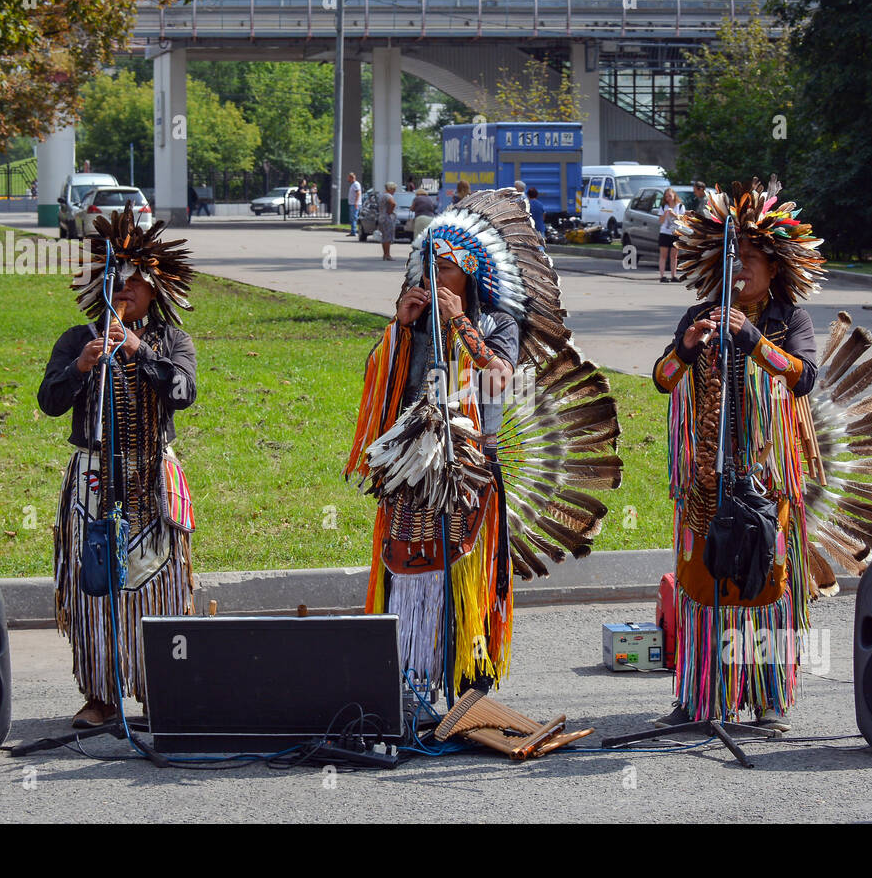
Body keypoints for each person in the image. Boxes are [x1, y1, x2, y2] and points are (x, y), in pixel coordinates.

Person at [345, 188, 621, 698]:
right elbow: (380, 390)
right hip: (410, 467)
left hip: (469, 467)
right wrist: (400, 331)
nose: (433, 275)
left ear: (470, 273)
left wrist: (459, 323)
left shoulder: (498, 322)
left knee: (461, 566)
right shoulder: (412, 322)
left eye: (446, 267)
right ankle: (407, 674)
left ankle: (464, 682)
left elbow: (498, 380)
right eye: (427, 264)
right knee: (407, 562)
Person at [651, 177, 822, 732]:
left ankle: (767, 699)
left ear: (775, 268)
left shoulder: (788, 319)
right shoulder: (701, 314)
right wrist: (686, 346)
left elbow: (804, 378)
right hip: (705, 475)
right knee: (702, 582)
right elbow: (662, 378)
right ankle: (701, 696)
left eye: (750, 257)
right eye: (731, 258)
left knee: (764, 584)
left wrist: (752, 338)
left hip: (766, 480)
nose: (739, 267)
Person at [37, 204, 198, 728]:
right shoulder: (74, 338)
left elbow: (183, 391)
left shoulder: (171, 342)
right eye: (114, 276)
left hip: (152, 479)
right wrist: (82, 365)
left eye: (135, 279)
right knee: (94, 584)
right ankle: (101, 695)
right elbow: (49, 402)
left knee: (159, 585)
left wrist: (138, 352)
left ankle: (162, 689)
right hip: (92, 482)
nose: (123, 286)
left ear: (157, 289)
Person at [657, 186, 682, 283]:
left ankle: (673, 276)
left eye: (670, 196)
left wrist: (674, 215)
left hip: (675, 232)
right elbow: (661, 221)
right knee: (663, 255)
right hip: (664, 232)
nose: (668, 198)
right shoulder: (663, 207)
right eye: (666, 197)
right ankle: (662, 276)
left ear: (674, 195)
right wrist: (665, 214)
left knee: (674, 255)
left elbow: (682, 219)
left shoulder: (679, 206)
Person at [379, 182, 398, 260]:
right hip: (387, 218)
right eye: (394, 189)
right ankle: (387, 255)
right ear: (390, 189)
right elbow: (393, 203)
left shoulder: (382, 195)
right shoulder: (388, 196)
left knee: (384, 237)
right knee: (388, 237)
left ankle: (385, 254)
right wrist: (390, 212)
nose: (394, 191)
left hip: (381, 217)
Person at [347, 173, 362, 237]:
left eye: (348, 178)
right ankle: (353, 231)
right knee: (352, 218)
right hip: (352, 204)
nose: (348, 179)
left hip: (355, 204)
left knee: (354, 218)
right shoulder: (353, 184)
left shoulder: (356, 184)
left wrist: (356, 202)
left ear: (351, 178)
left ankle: (354, 232)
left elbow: (358, 193)